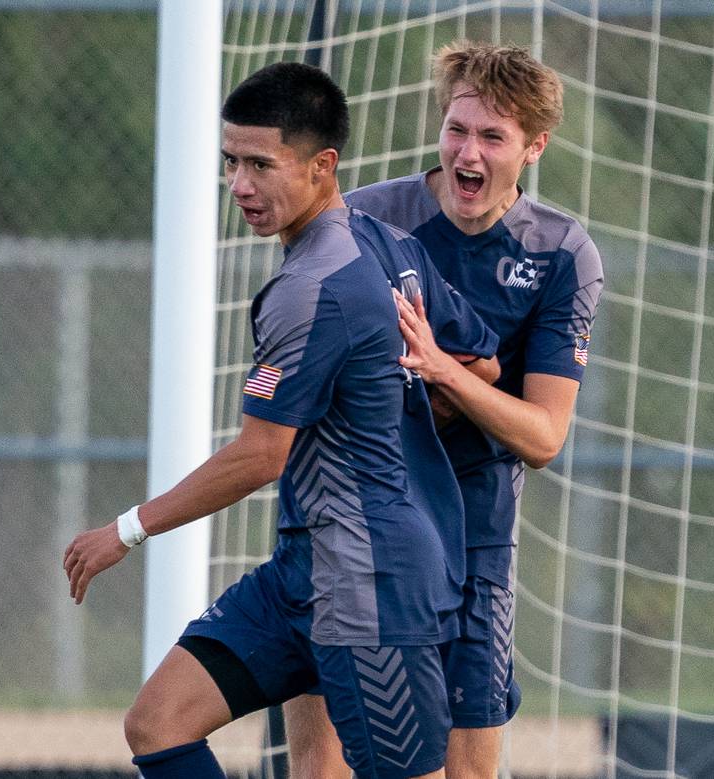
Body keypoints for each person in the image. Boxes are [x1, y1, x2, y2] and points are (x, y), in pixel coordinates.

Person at [63, 61, 501, 779]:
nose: (239, 185)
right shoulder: (390, 248)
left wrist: (126, 529)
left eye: (261, 164)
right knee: (157, 722)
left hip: (374, 586)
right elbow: (479, 359)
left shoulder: (311, 287)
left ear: (323, 165)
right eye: (231, 161)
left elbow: (261, 455)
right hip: (303, 570)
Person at [285, 41, 604, 779]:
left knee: (462, 771)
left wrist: (445, 374)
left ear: (533, 148)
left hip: (472, 539)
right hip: (352, 528)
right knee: (321, 769)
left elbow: (545, 434)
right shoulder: (361, 221)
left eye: (493, 136)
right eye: (458, 128)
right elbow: (302, 375)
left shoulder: (561, 253)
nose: (469, 150)